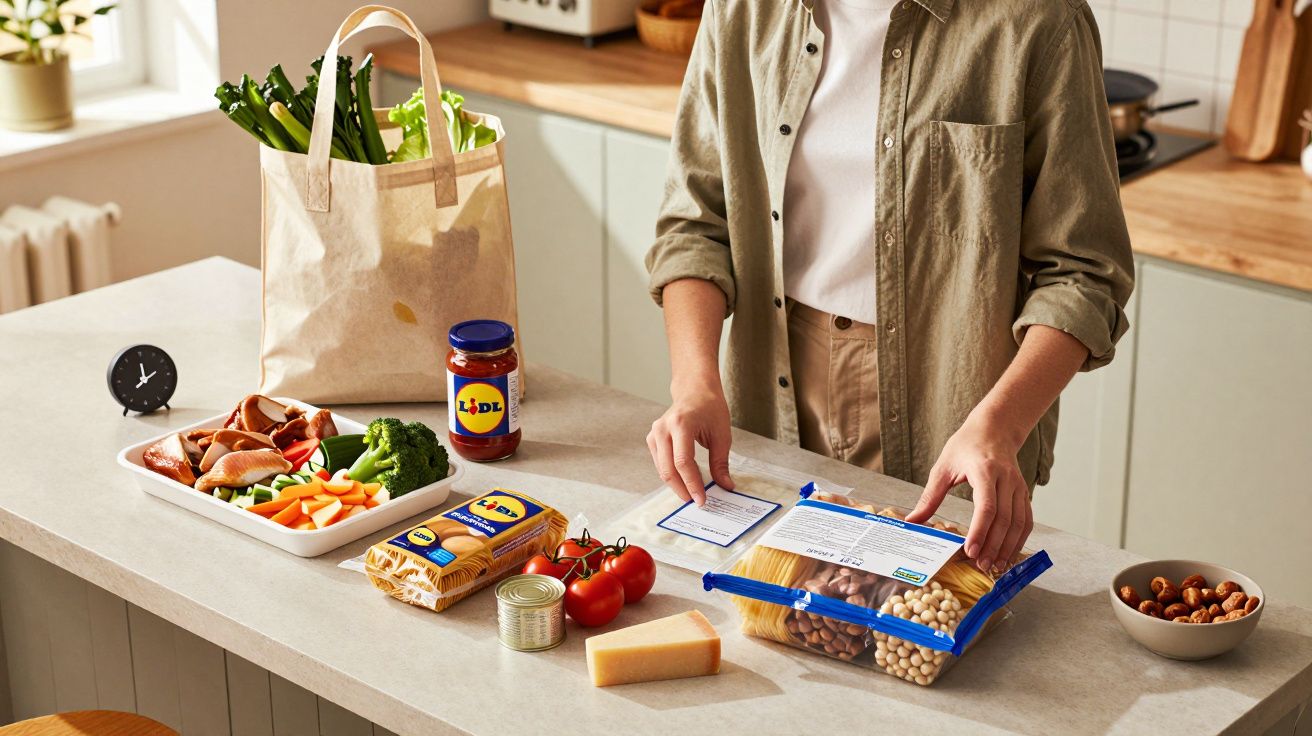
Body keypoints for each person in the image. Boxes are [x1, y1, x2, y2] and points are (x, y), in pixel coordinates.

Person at [644, 0, 1134, 573]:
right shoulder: (743, 10)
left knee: (923, 641)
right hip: (767, 386)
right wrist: (694, 384)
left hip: (956, 405)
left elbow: (1083, 273)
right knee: (773, 626)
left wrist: (1000, 425)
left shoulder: (1037, 21)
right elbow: (695, 224)